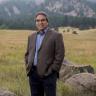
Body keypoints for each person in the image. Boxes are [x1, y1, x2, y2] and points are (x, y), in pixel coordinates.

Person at [25, 11, 65, 96]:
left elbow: (60, 55)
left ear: (47, 21)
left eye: (43, 20)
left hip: (48, 75)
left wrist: (52, 70)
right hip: (33, 74)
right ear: (35, 22)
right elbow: (27, 53)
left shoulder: (56, 36)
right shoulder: (31, 36)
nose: (40, 22)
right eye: (38, 20)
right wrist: (28, 66)